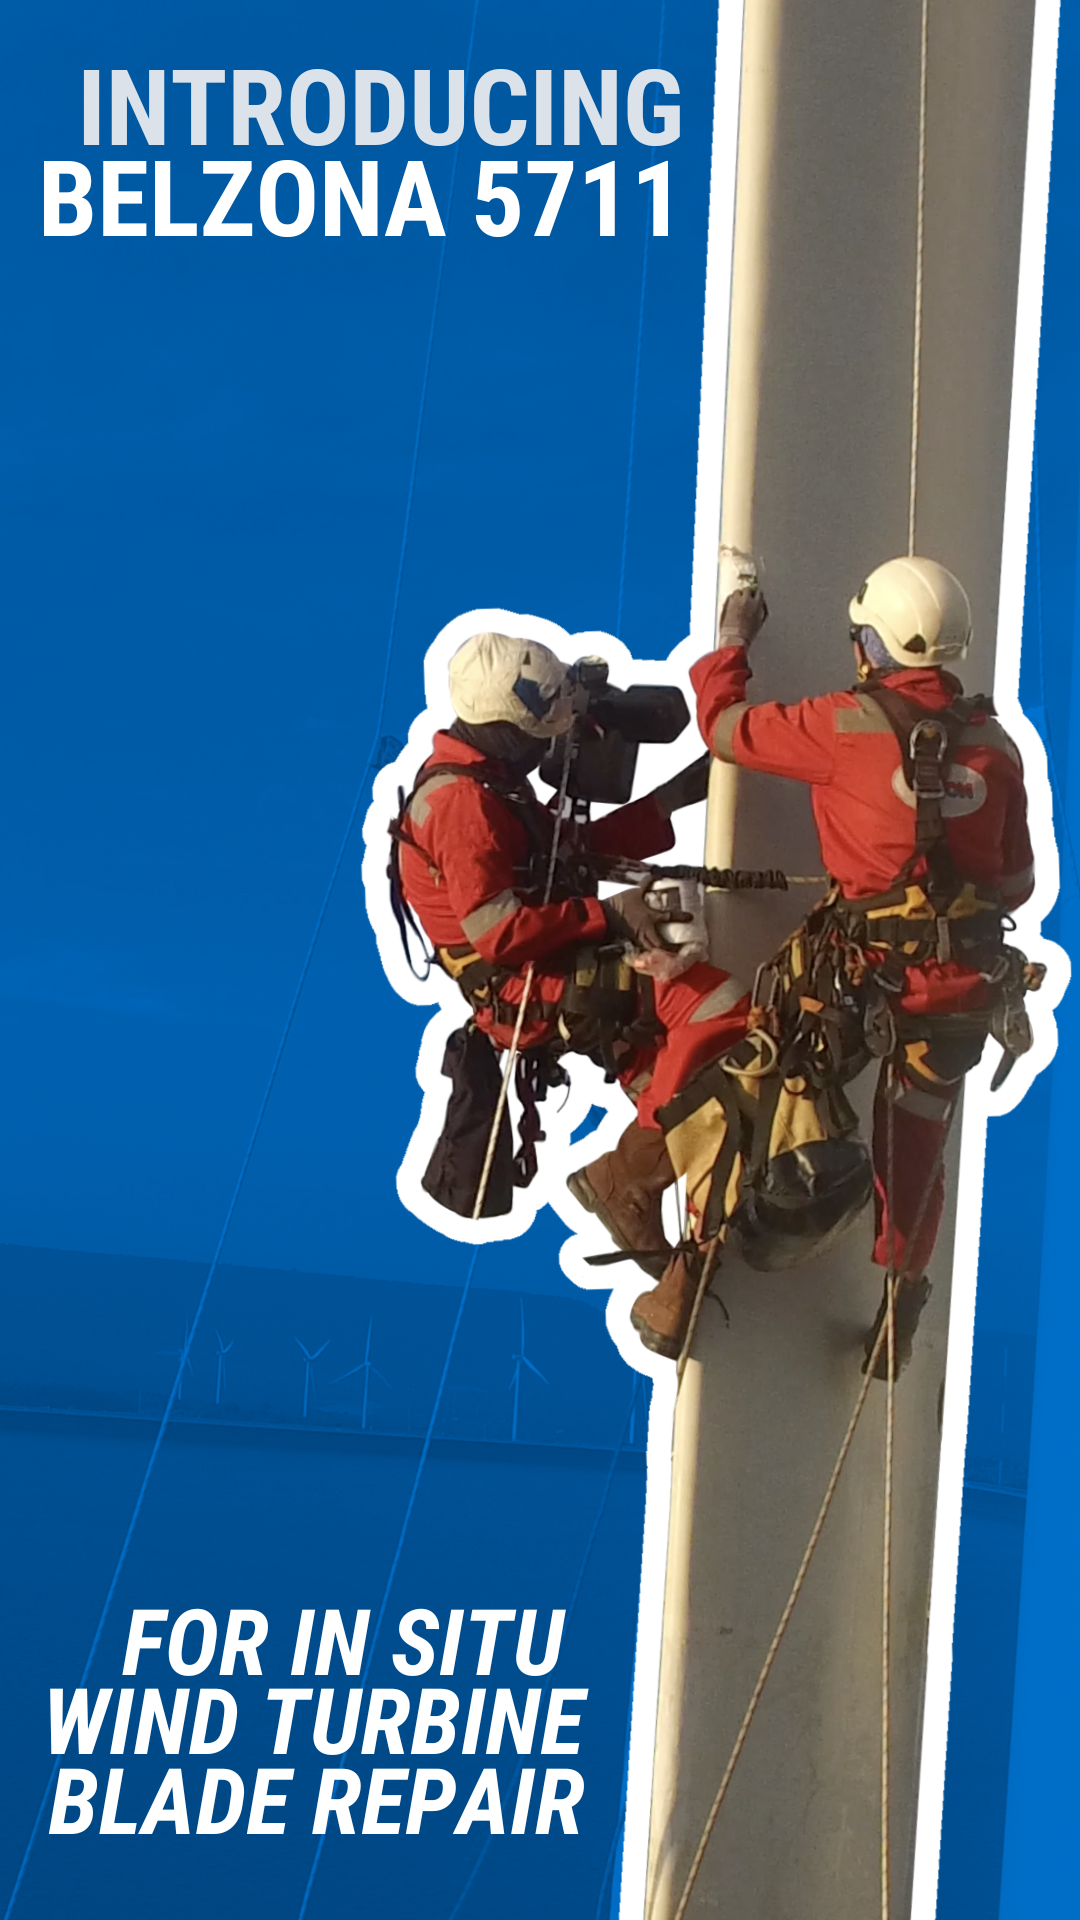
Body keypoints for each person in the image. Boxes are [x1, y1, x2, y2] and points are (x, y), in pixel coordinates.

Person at [630, 556, 1036, 1373]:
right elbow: (1017, 884)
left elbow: (724, 728)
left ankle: (685, 1272)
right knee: (916, 1153)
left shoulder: (841, 724)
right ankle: (900, 1303)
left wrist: (732, 640)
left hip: (853, 983)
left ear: (871, 645)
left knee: (756, 1086)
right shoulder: (996, 747)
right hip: (958, 992)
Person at [391, 630, 751, 1266]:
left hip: (549, 968)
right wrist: (607, 914)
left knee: (680, 1082)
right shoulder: (463, 806)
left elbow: (570, 849)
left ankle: (687, 1216)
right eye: (537, 733)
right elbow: (499, 933)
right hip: (526, 990)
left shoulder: (488, 778)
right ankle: (623, 1180)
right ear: (502, 729)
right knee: (716, 1006)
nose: (546, 744)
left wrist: (671, 799)